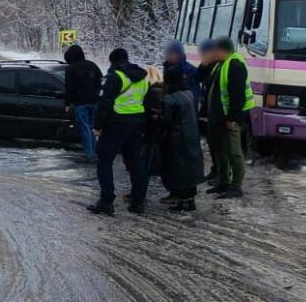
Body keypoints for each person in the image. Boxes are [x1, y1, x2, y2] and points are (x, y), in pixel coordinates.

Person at [88, 48, 151, 215]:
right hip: (136, 123)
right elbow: (148, 100)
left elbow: (104, 104)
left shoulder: (114, 77)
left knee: (104, 161)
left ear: (112, 61)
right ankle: (138, 202)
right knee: (135, 163)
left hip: (116, 124)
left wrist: (97, 126)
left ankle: (106, 201)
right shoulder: (143, 78)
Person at [206, 37, 252, 199]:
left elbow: (237, 95)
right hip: (218, 118)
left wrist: (232, 118)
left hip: (230, 118)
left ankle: (236, 186)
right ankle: (223, 182)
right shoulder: (220, 64)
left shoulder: (235, 65)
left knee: (234, 152)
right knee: (220, 151)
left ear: (222, 50)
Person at [158, 66, 205, 211]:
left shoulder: (168, 99)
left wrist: (157, 117)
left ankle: (181, 200)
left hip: (176, 139)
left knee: (178, 169)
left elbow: (166, 121)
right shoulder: (189, 94)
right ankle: (190, 200)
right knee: (190, 168)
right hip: (191, 135)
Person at [64, 45, 103, 162]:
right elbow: (100, 82)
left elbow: (69, 88)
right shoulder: (92, 65)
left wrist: (67, 103)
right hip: (94, 101)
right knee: (92, 128)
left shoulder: (71, 69)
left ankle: (90, 154)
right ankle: (95, 152)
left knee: (84, 128)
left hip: (80, 103)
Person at [194, 39, 220, 182]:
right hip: (207, 109)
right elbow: (196, 78)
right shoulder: (208, 65)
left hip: (217, 111)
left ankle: (220, 172)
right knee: (211, 142)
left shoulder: (219, 66)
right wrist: (203, 65)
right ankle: (215, 170)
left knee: (218, 145)